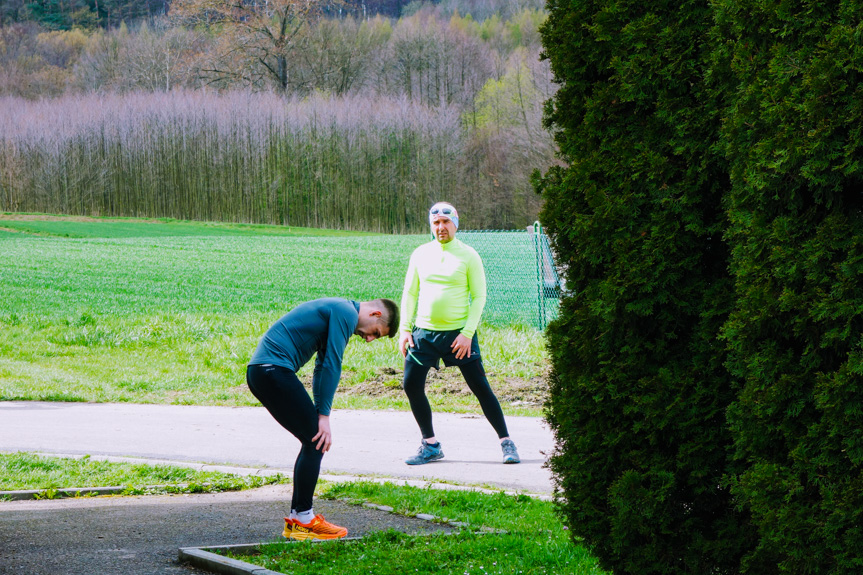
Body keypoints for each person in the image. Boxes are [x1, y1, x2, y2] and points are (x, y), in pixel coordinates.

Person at [246, 297, 399, 540]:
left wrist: (320, 412)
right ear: (375, 314)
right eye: (376, 333)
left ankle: (299, 519)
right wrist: (324, 417)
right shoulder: (346, 312)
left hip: (263, 371)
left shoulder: (340, 311)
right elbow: (332, 364)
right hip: (272, 370)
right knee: (316, 440)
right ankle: (303, 520)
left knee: (312, 440)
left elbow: (321, 365)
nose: (369, 339)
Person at [398, 202, 520, 466]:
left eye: (445, 222)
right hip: (424, 335)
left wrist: (467, 333)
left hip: (458, 336)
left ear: (455, 224)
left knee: (480, 388)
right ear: (431, 226)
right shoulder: (420, 254)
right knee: (411, 385)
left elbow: (479, 297)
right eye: (436, 223)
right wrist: (405, 329)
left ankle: (506, 442)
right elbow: (410, 293)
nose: (441, 228)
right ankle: (430, 445)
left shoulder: (469, 255)